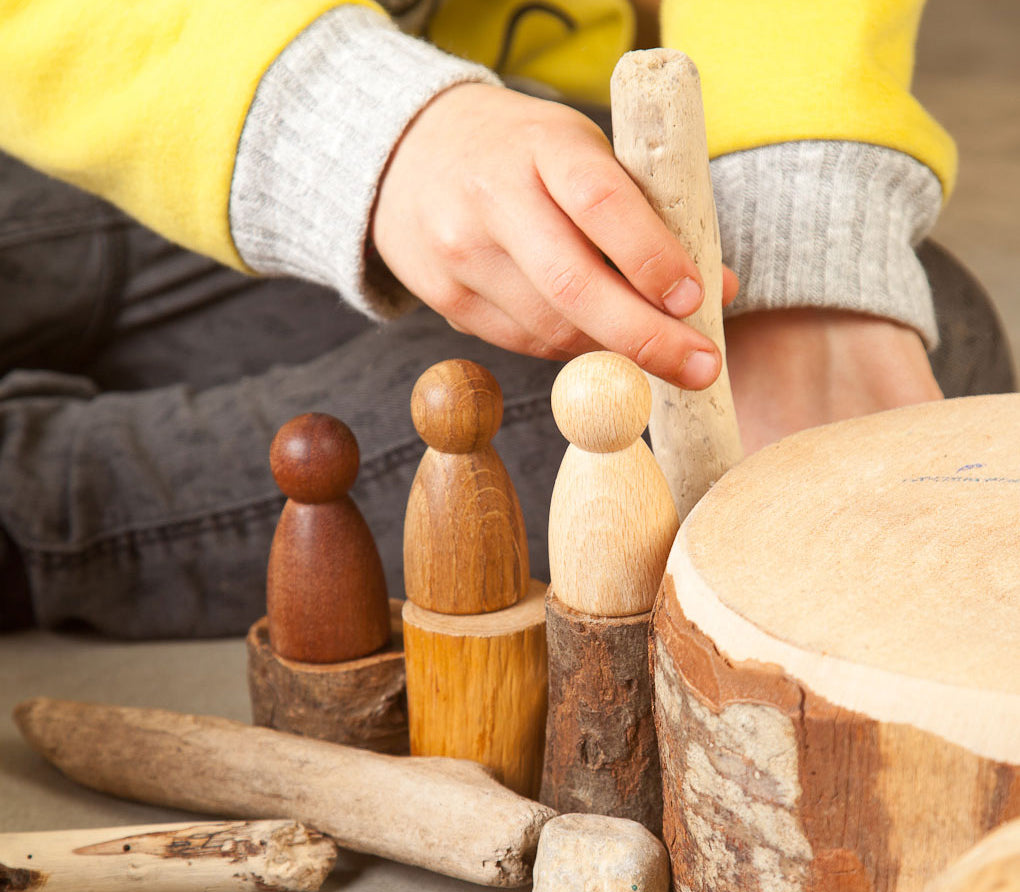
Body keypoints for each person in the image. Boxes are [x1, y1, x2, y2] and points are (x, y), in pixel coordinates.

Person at [0, 0, 1012, 637]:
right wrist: (354, 129)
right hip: (99, 82)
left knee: (932, 340)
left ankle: (40, 496)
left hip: (461, 91)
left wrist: (800, 209)